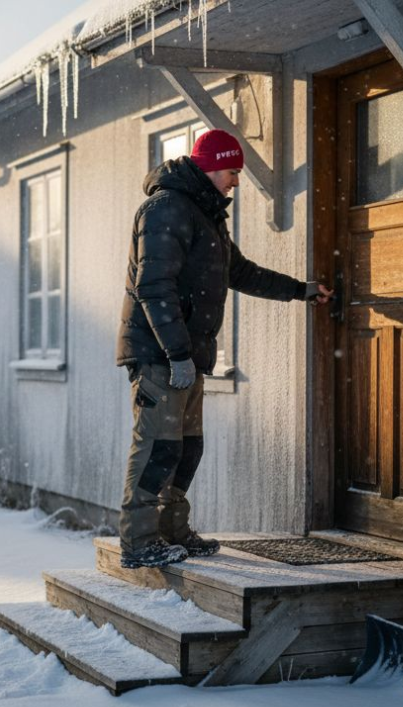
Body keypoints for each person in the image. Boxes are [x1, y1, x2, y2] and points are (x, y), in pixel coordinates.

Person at [115, 129, 333, 569]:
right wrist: (176, 354)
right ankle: (138, 542)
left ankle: (172, 531)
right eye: (232, 172)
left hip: (187, 355)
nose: (235, 181)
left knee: (186, 446)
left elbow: (241, 272)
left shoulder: (203, 213)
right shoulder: (166, 210)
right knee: (157, 446)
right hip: (161, 354)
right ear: (211, 167)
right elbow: (153, 288)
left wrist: (300, 290)